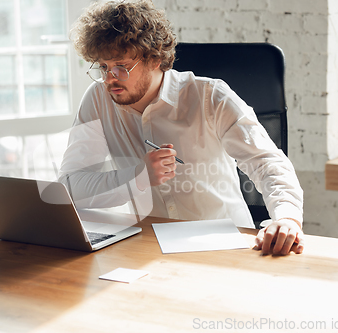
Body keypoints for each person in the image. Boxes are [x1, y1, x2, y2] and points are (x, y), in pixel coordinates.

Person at [58, 0, 304, 255]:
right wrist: (138, 177)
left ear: (154, 58)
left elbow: (267, 162)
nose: (110, 79)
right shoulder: (98, 99)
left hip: (224, 245)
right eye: (103, 67)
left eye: (121, 66)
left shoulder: (211, 97)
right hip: (147, 246)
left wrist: (287, 219)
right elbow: (70, 186)